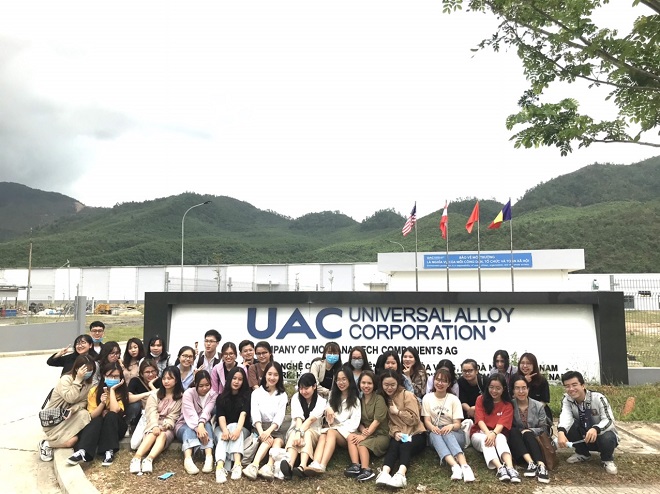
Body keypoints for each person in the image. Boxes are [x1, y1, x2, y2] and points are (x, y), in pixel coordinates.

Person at [557, 370, 619, 475]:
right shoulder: (567, 399)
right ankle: (582, 453)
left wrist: (596, 429)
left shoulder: (598, 398)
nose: (571, 389)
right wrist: (561, 431)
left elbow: (609, 420)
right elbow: (565, 416)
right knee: (566, 427)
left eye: (574, 385)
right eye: (567, 386)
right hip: (583, 437)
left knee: (608, 436)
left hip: (600, 436)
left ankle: (607, 459)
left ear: (583, 385)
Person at [374, 369, 427, 490]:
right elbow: (389, 422)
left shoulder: (407, 395)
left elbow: (415, 419)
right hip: (400, 434)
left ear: (398, 383)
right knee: (393, 445)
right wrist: (395, 432)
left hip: (416, 433)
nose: (389, 388)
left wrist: (398, 412)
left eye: (392, 384)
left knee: (405, 446)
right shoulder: (384, 399)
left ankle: (401, 474)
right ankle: (385, 473)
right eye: (386, 385)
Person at [67, 362, 127, 466]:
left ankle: (109, 451)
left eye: (116, 376)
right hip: (98, 426)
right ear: (104, 376)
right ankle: (83, 451)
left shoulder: (122, 392)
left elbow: (114, 410)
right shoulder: (94, 391)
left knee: (111, 415)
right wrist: (102, 404)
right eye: (110, 376)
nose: (113, 379)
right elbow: (92, 415)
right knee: (97, 420)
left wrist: (112, 391)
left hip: (116, 427)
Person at [39, 355, 96, 462]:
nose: (87, 372)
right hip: (53, 420)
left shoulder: (88, 383)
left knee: (83, 416)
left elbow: (84, 402)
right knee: (71, 440)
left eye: (90, 370)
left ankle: (51, 442)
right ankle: (46, 443)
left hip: (69, 417)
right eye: (85, 370)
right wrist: (77, 381)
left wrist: (73, 409)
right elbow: (71, 398)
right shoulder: (66, 379)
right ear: (77, 369)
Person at [305, 365, 361, 475]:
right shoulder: (332, 395)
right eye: (338, 380)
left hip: (346, 434)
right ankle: (315, 462)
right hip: (332, 429)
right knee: (323, 435)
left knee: (330, 432)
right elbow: (327, 411)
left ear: (350, 380)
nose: (341, 382)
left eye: (344, 379)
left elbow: (354, 424)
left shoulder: (355, 400)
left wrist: (336, 426)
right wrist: (328, 411)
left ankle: (323, 465)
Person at [422, 368, 475, 482]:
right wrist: (433, 428)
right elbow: (427, 421)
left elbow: (457, 424)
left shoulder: (454, 399)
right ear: (433, 380)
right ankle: (455, 466)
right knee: (435, 434)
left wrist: (450, 426)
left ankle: (465, 466)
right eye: (437, 379)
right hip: (435, 435)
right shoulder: (427, 398)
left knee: (446, 432)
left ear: (449, 384)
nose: (440, 383)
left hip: (455, 434)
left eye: (444, 381)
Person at [129, 366, 184, 474]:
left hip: (168, 426)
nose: (166, 381)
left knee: (163, 435)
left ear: (176, 380)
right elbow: (151, 412)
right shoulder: (155, 394)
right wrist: (155, 425)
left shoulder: (180, 397)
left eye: (170, 378)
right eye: (164, 378)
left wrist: (165, 426)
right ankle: (136, 458)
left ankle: (149, 459)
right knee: (153, 433)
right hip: (152, 423)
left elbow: (174, 416)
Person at [470, 374, 520, 483]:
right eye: (491, 387)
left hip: (497, 433)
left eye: (498, 388)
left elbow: (502, 424)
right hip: (479, 433)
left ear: (504, 389)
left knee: (500, 438)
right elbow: (480, 420)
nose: (494, 391)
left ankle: (510, 468)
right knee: (486, 440)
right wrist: (488, 434)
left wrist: (494, 434)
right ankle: (500, 468)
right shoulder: (480, 399)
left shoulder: (507, 405)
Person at [243, 361, 288, 480]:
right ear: (265, 375)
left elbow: (279, 417)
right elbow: (255, 414)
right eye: (270, 374)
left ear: (280, 377)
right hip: (259, 428)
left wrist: (268, 432)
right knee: (269, 440)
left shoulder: (282, 395)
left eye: (276, 375)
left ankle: (268, 466)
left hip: (274, 429)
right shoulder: (256, 393)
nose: (272, 378)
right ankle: (254, 465)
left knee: (277, 440)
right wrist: (262, 432)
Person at [280, 373, 327, 479]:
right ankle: (289, 465)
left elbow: (310, 420)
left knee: (307, 433)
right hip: (296, 429)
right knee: (294, 433)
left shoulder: (321, 402)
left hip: (313, 433)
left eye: (306, 388)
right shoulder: (296, 397)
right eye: (301, 388)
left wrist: (299, 433)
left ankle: (302, 465)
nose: (303, 391)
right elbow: (298, 418)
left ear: (314, 386)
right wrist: (298, 433)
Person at [344, 370, 389, 482]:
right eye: (363, 383)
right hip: (367, 432)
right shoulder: (359, 400)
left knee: (361, 444)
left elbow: (377, 421)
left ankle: (367, 470)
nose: (366, 386)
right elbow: (358, 420)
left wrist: (363, 436)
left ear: (374, 384)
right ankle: (355, 466)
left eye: (369, 383)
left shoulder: (379, 399)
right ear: (359, 384)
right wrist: (362, 430)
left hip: (380, 434)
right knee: (351, 437)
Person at [175, 370, 217, 475]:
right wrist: (198, 427)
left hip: (203, 423)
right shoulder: (188, 393)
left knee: (207, 425)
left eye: (207, 385)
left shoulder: (213, 395)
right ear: (196, 384)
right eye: (201, 386)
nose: (204, 388)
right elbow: (190, 414)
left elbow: (207, 411)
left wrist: (201, 424)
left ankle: (209, 456)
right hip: (184, 424)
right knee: (189, 430)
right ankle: (188, 458)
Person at [510, 376, 550, 483]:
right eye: (517, 388)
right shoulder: (510, 405)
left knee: (528, 434)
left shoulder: (538, 406)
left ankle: (541, 466)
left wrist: (530, 431)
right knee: (513, 431)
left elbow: (544, 428)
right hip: (518, 447)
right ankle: (531, 464)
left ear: (528, 389)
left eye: (524, 388)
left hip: (535, 444)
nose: (521, 391)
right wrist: (521, 432)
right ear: (513, 390)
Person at [214, 367, 251, 483]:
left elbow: (243, 414)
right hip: (222, 428)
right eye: (234, 378)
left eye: (240, 379)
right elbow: (221, 416)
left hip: (242, 429)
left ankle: (237, 465)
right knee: (223, 437)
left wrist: (237, 430)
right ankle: (220, 468)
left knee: (234, 426)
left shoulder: (247, 396)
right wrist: (225, 430)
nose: (236, 381)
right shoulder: (221, 397)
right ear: (229, 379)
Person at [515, 352, 552, 422]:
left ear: (534, 365)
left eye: (528, 363)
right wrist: (524, 381)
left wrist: (529, 412)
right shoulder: (514, 378)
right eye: (522, 363)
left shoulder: (541, 380)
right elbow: (512, 398)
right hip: (518, 413)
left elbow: (544, 402)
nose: (525, 366)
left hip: (538, 413)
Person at [126, 359, 160, 434]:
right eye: (147, 372)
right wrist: (146, 394)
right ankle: (129, 425)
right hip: (140, 411)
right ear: (141, 374)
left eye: (153, 371)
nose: (151, 374)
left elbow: (160, 398)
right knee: (135, 405)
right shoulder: (135, 380)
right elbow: (129, 398)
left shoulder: (160, 381)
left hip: (154, 411)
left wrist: (151, 385)